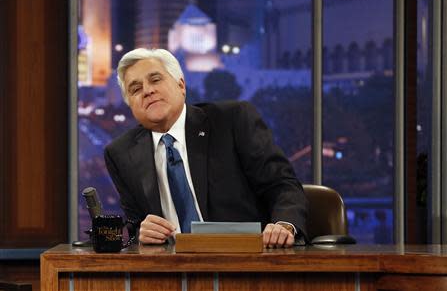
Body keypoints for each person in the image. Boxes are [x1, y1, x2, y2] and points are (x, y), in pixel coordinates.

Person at [104, 48, 308, 248]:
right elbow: (135, 227)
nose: (147, 91)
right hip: (170, 270)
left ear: (181, 85)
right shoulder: (121, 153)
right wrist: (142, 232)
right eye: (135, 89)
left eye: (155, 80)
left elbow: (282, 185)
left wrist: (284, 225)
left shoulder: (232, 121)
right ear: (130, 103)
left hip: (246, 261)